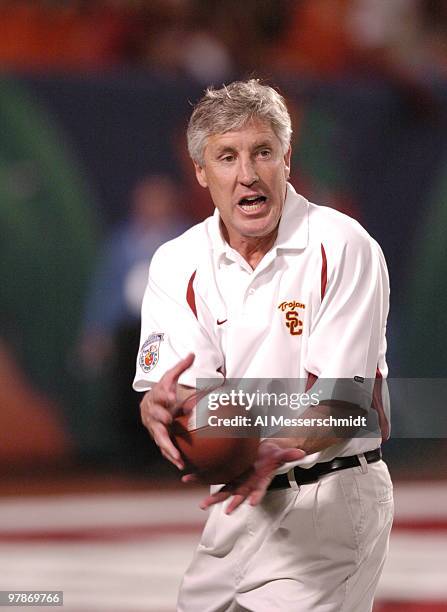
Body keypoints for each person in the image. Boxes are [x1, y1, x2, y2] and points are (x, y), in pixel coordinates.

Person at [134, 79, 393, 611]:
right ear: (201, 173)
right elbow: (187, 399)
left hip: (327, 502)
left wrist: (268, 447)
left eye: (263, 153)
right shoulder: (175, 262)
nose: (248, 174)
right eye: (226, 157)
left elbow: (346, 404)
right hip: (236, 508)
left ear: (287, 159)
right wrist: (158, 407)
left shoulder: (342, 245)